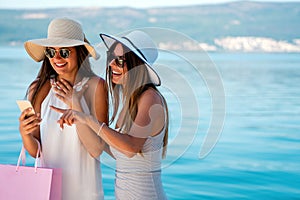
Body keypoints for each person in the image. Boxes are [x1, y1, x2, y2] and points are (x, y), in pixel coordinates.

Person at [52, 30, 169, 199]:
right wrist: (79, 112)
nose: (112, 64)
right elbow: (117, 150)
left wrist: (89, 119)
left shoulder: (150, 97)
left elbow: (130, 148)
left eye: (120, 60)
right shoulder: (131, 101)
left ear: (137, 65)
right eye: (111, 57)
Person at [18, 18, 108, 200]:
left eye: (64, 52)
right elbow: (36, 152)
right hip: (47, 190)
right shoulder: (38, 89)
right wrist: (25, 134)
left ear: (79, 52)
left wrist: (76, 103)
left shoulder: (96, 87)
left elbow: (97, 150)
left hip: (84, 189)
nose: (56, 58)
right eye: (51, 51)